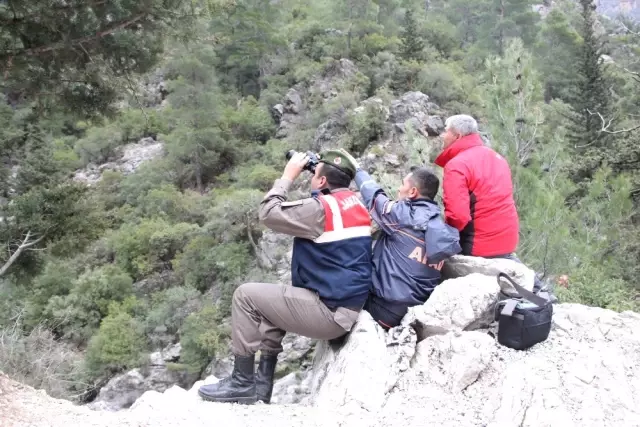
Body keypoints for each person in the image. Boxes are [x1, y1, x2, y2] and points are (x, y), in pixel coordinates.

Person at [198, 150, 372, 405]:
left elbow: (268, 213)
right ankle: (262, 386)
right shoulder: (354, 203)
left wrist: (288, 175)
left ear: (322, 182)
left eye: (315, 175)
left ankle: (242, 382)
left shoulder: (321, 209)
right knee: (273, 303)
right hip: (343, 305)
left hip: (329, 313)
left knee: (245, 295)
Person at [339, 149, 461, 329]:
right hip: (414, 312)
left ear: (412, 191)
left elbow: (373, 196)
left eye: (402, 184)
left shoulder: (403, 215)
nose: (398, 188)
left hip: (382, 309)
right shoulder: (440, 226)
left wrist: (357, 170)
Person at [433, 114, 542, 291]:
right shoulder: (497, 158)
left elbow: (458, 217)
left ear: (457, 136)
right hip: (507, 241)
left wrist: (440, 243)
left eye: (445, 131)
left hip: (479, 246)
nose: (442, 136)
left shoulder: (458, 165)